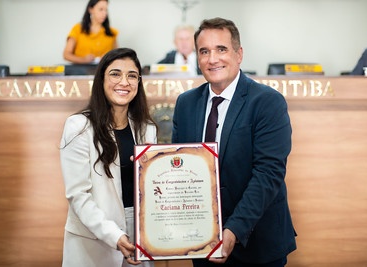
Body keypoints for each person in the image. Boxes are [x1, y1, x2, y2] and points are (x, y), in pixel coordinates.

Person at [171, 17, 297, 267]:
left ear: (239, 54)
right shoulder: (186, 104)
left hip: (257, 244)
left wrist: (233, 231)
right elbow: (181, 166)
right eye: (204, 51)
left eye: (221, 49)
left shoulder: (268, 102)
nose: (212, 59)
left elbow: (268, 174)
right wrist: (152, 168)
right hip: (203, 243)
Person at [60, 47, 156, 267]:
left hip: (142, 236)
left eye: (132, 75)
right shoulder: (79, 127)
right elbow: (78, 196)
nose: (124, 82)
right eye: (115, 73)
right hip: (94, 239)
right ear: (101, 79)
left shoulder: (147, 129)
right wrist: (114, 235)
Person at [63, 0, 118, 64]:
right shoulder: (77, 29)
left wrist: (108, 57)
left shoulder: (112, 32)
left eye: (106, 10)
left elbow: (117, 56)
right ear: (90, 9)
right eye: (101, 9)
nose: (104, 13)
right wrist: (83, 60)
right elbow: (66, 54)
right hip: (80, 71)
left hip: (103, 71)